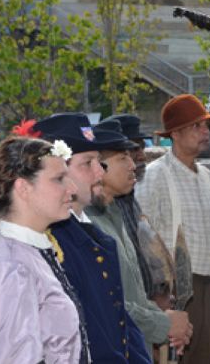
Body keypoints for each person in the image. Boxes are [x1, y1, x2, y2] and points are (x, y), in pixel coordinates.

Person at [137, 93, 210, 364]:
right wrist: (157, 299)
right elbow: (141, 239)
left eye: (205, 126)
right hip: (173, 291)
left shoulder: (208, 177)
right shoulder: (156, 175)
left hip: (206, 289)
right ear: (175, 133)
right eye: (197, 126)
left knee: (208, 358)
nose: (205, 132)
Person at [32, 114, 152, 363]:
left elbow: (120, 325)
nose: (100, 172)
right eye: (88, 163)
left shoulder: (91, 233)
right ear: (57, 173)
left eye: (99, 161)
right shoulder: (52, 243)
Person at [0, 136, 89, 363]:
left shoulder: (32, 252)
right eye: (59, 179)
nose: (72, 189)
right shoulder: (8, 269)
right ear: (23, 188)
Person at [80, 120, 193, 356]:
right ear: (98, 168)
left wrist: (166, 319)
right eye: (122, 158)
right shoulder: (86, 226)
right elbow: (104, 302)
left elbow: (132, 294)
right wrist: (163, 324)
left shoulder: (114, 214)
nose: (133, 164)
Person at [99, 114, 166, 301]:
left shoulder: (129, 198)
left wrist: (158, 292)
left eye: (141, 148)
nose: (140, 157)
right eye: (125, 156)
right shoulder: (98, 212)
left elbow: (143, 253)